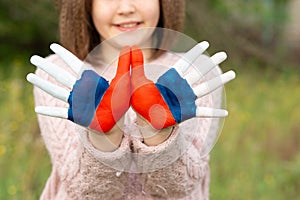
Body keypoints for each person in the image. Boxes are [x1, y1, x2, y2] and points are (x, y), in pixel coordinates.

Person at [27, 0, 235, 199]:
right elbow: (86, 190)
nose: (126, 8)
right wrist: (104, 134)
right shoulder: (59, 74)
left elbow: (180, 186)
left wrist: (157, 129)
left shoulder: (194, 74)